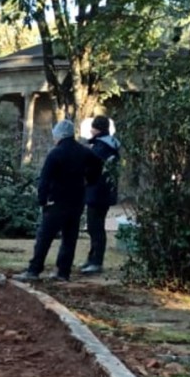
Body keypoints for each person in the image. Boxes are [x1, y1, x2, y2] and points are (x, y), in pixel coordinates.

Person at [14, 120, 102, 282]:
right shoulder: (83, 151)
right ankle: (63, 272)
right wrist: (90, 180)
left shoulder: (56, 153)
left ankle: (34, 270)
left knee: (44, 237)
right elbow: (98, 163)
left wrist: (42, 200)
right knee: (69, 238)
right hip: (76, 201)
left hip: (57, 201)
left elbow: (45, 179)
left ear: (60, 135)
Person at [80, 115, 121, 275]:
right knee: (96, 226)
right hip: (104, 191)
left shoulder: (100, 148)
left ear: (97, 129)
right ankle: (93, 259)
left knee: (95, 227)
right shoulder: (110, 145)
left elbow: (91, 168)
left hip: (98, 191)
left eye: (92, 127)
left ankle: (96, 261)